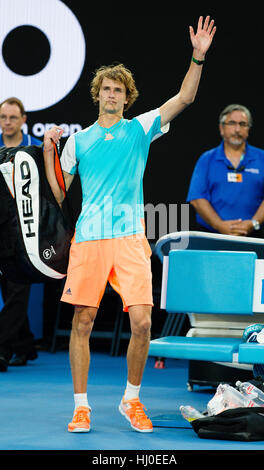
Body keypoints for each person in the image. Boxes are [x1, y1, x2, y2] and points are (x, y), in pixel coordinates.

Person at [43, 16, 216, 433]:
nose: (112, 95)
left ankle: (131, 399)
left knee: (142, 322)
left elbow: (185, 98)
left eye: (119, 90)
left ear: (127, 98)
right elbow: (60, 190)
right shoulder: (79, 140)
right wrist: (51, 150)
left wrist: (198, 56)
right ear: (97, 95)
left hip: (130, 239)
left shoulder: (140, 128)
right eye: (106, 88)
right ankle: (81, 406)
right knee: (82, 321)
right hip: (89, 240)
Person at [0, 97, 42, 371]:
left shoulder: (35, 150)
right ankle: (25, 345)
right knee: (9, 289)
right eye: (3, 117)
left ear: (24, 119)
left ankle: (1, 349)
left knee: (17, 290)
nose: (7, 122)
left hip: (26, 231)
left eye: (13, 117)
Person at [187, 104, 264, 236]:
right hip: (212, 236)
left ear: (248, 129)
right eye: (232, 123)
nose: (237, 129)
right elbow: (197, 198)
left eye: (243, 124)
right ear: (221, 128)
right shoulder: (207, 159)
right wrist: (219, 225)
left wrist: (253, 223)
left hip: (253, 236)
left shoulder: (263, 158)